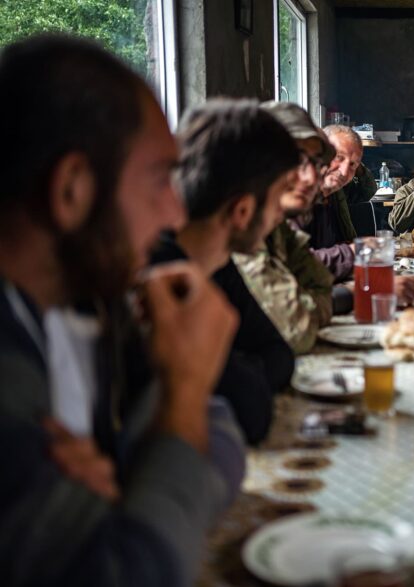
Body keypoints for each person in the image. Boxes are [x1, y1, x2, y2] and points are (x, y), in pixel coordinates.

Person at [0, 35, 244, 586]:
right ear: (73, 190)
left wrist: (136, 478)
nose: (176, 209)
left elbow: (224, 438)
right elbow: (135, 572)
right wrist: (181, 396)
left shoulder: (95, 301)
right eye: (160, 178)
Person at [151, 99, 298, 446]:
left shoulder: (217, 261)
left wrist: (233, 369)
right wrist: (244, 374)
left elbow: (279, 354)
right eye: (279, 196)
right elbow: (251, 414)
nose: (280, 213)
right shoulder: (163, 274)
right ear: (243, 211)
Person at [235, 103, 414, 353]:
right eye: (294, 160)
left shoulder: (276, 223)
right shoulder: (237, 226)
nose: (311, 177)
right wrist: (356, 290)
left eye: (315, 163)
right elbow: (298, 326)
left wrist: (340, 292)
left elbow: (315, 281)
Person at [289, 124, 361, 282]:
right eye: (338, 157)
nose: (344, 172)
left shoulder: (329, 199)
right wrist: (351, 252)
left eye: (353, 164)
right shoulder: (292, 200)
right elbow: (295, 266)